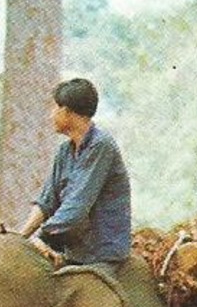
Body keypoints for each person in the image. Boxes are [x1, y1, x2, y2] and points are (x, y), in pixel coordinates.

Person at [14, 78, 133, 267]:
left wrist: (42, 236)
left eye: (54, 109)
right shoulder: (64, 151)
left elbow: (77, 205)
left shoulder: (101, 146)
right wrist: (20, 238)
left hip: (102, 251)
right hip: (73, 248)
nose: (51, 115)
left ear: (67, 112)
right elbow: (46, 202)